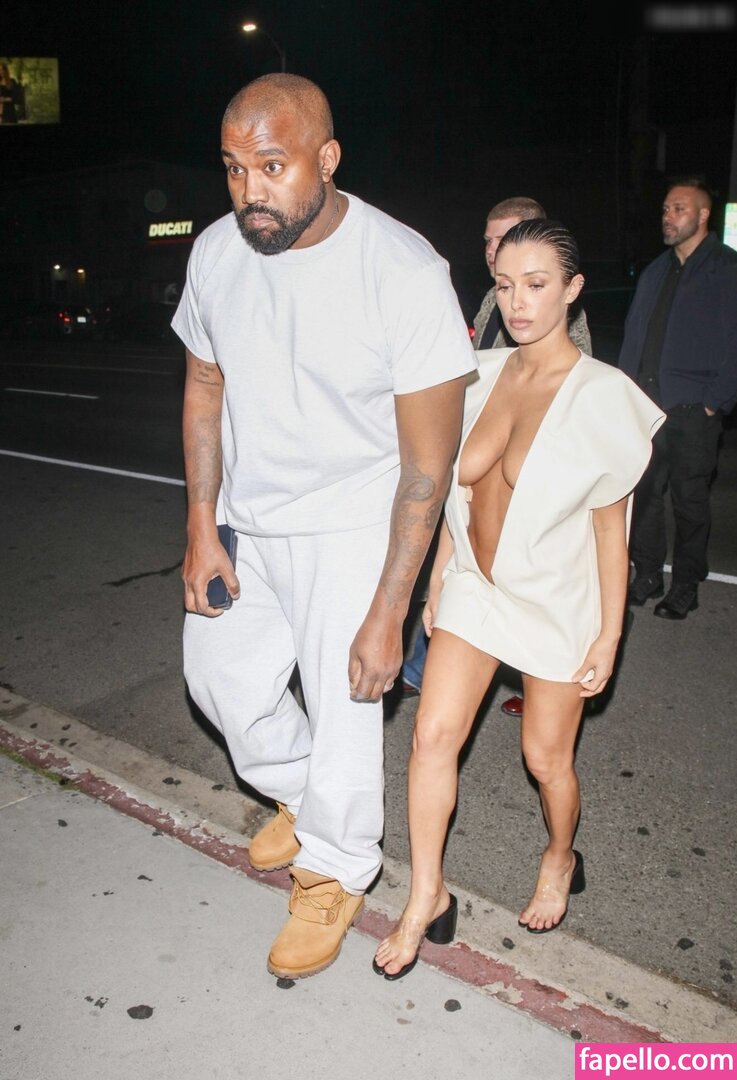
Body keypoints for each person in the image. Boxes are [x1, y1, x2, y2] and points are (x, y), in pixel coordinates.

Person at [172, 73, 477, 980]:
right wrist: (200, 522)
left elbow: (425, 468)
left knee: (345, 715)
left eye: (272, 165)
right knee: (220, 683)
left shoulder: (402, 270)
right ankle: (310, 801)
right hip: (248, 521)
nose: (249, 191)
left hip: (353, 528)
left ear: (327, 157)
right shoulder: (217, 252)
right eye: (234, 168)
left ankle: (338, 867)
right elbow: (204, 386)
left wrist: (389, 606)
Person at [373, 219, 664, 980]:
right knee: (431, 739)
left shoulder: (603, 396)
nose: (518, 302)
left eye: (536, 285)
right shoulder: (476, 373)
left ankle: (561, 854)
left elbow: (611, 535)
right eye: (505, 285)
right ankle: (425, 894)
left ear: (572, 290)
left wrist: (608, 636)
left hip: (557, 601)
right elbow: (452, 491)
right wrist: (441, 573)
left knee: (545, 759)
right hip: (476, 585)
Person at [402, 196, 593, 716]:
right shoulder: (493, 299)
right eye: (488, 240)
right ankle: (424, 663)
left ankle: (538, 676)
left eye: (504, 238)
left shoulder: (561, 325)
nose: (492, 249)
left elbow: (569, 404)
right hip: (479, 454)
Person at [619, 175, 737, 619]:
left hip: (693, 409)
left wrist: (715, 400)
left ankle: (686, 584)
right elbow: (634, 336)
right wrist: (625, 393)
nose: (668, 217)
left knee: (690, 502)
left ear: (704, 215)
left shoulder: (726, 269)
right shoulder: (656, 270)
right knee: (644, 496)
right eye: (666, 209)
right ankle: (648, 573)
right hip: (649, 405)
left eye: (679, 209)